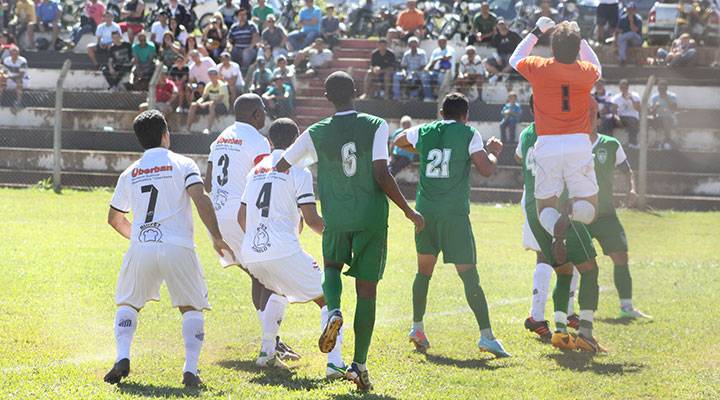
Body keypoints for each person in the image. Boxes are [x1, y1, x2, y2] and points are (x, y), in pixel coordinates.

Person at [274, 71, 424, 392]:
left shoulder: (316, 132)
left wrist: (316, 162)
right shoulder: (376, 124)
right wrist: (408, 210)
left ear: (327, 98)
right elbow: (381, 173)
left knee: (331, 268)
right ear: (356, 92)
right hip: (370, 217)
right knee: (367, 291)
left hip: (336, 217)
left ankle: (334, 310)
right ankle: (359, 364)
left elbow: (283, 165)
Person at [103, 110, 234, 388]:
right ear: (165, 134)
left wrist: (142, 238)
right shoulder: (183, 163)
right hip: (178, 246)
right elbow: (200, 198)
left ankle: (122, 357)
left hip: (142, 246)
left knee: (128, 303)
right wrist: (216, 236)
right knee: (191, 307)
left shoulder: (129, 172)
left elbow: (115, 219)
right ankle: (190, 370)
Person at [510, 19, 605, 352]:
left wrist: (537, 31)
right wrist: (581, 37)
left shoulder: (540, 67)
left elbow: (514, 58)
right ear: (576, 47)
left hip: (548, 144)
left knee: (545, 207)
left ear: (552, 47)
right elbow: (597, 65)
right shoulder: (585, 71)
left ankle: (557, 232)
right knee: (589, 207)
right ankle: (572, 221)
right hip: (578, 143)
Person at [392, 92, 510, 357]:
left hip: (425, 212)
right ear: (465, 116)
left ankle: (417, 327)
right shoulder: (469, 134)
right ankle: (487, 336)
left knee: (423, 272)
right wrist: (493, 152)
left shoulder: (425, 130)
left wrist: (421, 148)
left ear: (442, 113)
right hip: (454, 214)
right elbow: (486, 169)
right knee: (469, 275)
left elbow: (398, 140)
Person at [238, 118, 346, 377]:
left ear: (270, 141)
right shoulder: (299, 170)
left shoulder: (255, 171)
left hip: (251, 252)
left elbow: (241, 217)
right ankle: (335, 363)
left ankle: (266, 353)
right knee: (328, 297)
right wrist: (338, 235)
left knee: (277, 291)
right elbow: (312, 220)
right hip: (282, 250)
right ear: (297, 142)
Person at [204, 94, 300, 370]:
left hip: (218, 217)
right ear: (257, 114)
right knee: (270, 275)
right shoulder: (258, 141)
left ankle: (272, 340)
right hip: (242, 215)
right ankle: (271, 345)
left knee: (259, 275)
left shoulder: (220, 138)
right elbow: (266, 176)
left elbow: (209, 183)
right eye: (263, 112)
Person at [517, 96, 603, 351]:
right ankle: (582, 331)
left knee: (559, 265)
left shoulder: (527, 133)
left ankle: (560, 327)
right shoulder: (559, 134)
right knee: (586, 267)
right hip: (558, 207)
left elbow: (519, 157)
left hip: (533, 204)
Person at [186, 67, 229, 134]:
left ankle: (208, 129)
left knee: (212, 105)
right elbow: (203, 97)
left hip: (223, 106)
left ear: (217, 75)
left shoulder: (222, 85)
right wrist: (198, 103)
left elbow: (220, 99)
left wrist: (206, 103)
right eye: (210, 74)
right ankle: (188, 128)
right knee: (193, 105)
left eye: (214, 74)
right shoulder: (209, 85)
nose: (212, 76)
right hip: (211, 104)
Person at [393, 36, 432, 101]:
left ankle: (428, 97)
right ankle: (397, 96)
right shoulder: (406, 54)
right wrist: (404, 73)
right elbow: (403, 66)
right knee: (396, 76)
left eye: (415, 43)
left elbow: (423, 65)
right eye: (411, 43)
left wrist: (413, 72)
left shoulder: (422, 53)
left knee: (424, 78)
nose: (413, 45)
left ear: (417, 44)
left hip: (419, 72)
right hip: (408, 72)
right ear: (409, 45)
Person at [610, 79, 640, 148]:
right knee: (607, 120)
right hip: (621, 117)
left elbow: (638, 109)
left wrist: (632, 99)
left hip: (632, 117)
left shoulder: (635, 95)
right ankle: (609, 143)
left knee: (631, 121)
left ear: (628, 87)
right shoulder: (616, 97)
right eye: (621, 87)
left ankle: (632, 143)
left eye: (625, 87)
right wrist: (617, 118)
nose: (623, 89)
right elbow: (613, 111)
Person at [228, 8, 259, 73]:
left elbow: (255, 38)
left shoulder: (251, 25)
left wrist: (250, 47)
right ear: (237, 16)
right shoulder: (234, 27)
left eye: (244, 14)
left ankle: (244, 71)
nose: (242, 16)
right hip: (237, 48)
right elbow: (229, 39)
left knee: (246, 53)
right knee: (229, 52)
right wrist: (228, 46)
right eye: (240, 15)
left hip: (249, 48)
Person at [650, 80, 678, 149]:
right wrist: (655, 107)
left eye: (663, 89)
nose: (661, 90)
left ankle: (667, 140)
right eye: (660, 89)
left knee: (665, 119)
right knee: (649, 120)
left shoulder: (672, 96)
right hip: (658, 118)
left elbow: (674, 109)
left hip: (670, 118)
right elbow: (651, 112)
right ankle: (655, 142)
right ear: (658, 89)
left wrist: (666, 98)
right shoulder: (654, 97)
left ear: (666, 88)